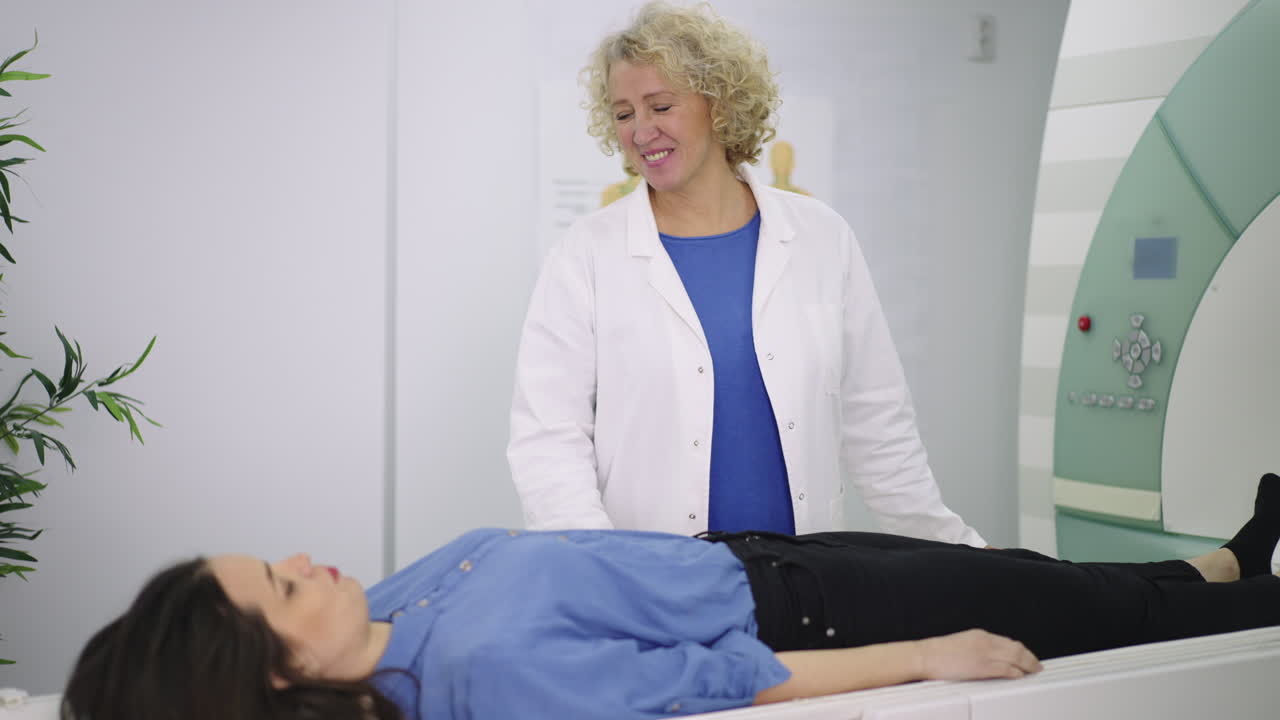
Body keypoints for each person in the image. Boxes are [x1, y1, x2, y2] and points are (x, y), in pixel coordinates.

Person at [64, 475, 1280, 720]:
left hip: (764, 553)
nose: (303, 558)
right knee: (1083, 617)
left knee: (1042, 576)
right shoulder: (480, 680)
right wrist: (925, 654)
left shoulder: (389, 604)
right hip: (807, 612)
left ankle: (1227, 558)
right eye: (281, 587)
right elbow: (716, 680)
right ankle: (1245, 599)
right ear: (271, 672)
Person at [508, 1, 984, 544]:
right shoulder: (585, 255)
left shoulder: (821, 238)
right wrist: (605, 569)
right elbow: (549, 441)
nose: (641, 131)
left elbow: (879, 431)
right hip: (654, 588)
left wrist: (966, 553)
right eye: (623, 114)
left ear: (719, 102)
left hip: (806, 590)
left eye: (660, 105)